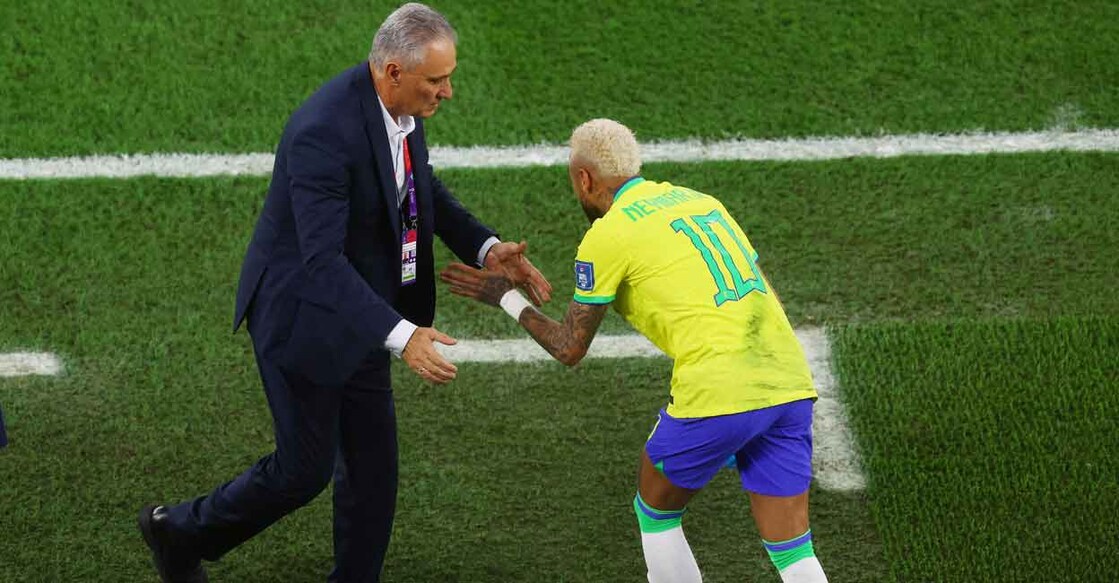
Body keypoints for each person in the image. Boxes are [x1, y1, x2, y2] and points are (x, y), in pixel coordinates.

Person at [137, 4, 551, 582]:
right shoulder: (323, 133)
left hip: (362, 309)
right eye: (436, 80)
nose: (448, 92)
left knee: (373, 468)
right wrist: (404, 336)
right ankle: (177, 530)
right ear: (393, 72)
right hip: (301, 316)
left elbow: (418, 184)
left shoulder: (401, 107)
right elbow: (322, 263)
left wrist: (485, 247)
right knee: (301, 473)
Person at [440, 119, 828, 583]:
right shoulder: (703, 203)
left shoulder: (608, 235)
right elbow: (765, 296)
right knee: (792, 547)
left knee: (657, 511)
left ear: (585, 179)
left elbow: (568, 348)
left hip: (718, 389)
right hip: (790, 382)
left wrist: (504, 297)